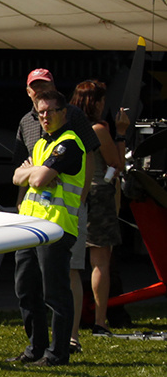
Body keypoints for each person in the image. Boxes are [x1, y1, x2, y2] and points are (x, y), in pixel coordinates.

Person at [16, 69, 98, 355]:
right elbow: (16, 176)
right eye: (41, 113)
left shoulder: (70, 143)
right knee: (26, 290)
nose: (46, 117)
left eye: (51, 111)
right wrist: (31, 172)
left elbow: (35, 179)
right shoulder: (41, 144)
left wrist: (32, 172)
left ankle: (58, 352)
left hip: (55, 228)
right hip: (29, 227)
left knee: (55, 294)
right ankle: (35, 348)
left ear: (64, 112)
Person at [70, 80, 125, 334]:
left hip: (74, 195)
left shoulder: (70, 127)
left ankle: (73, 318)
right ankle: (100, 321)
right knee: (100, 260)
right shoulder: (98, 129)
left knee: (72, 262)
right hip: (99, 193)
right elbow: (117, 163)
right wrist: (121, 133)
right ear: (96, 102)